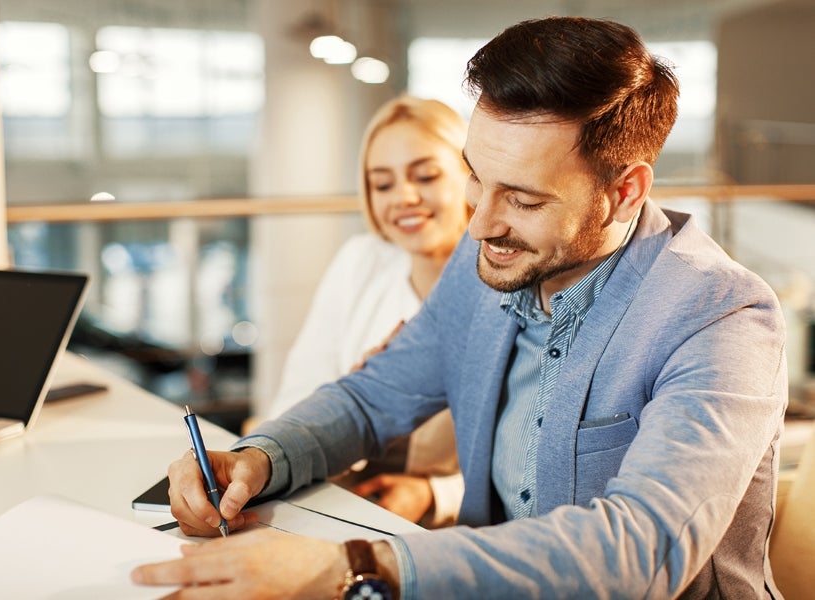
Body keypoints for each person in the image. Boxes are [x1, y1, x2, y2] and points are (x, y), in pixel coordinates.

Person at [132, 16, 788, 599]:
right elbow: (371, 398)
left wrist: (354, 568)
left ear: (624, 192)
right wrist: (259, 458)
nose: (479, 225)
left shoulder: (721, 317)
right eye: (476, 176)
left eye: (524, 200)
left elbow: (641, 552)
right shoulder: (489, 268)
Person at [248, 94, 471, 527]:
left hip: (456, 527)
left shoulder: (508, 280)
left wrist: (434, 495)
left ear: (471, 175)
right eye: (382, 184)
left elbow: (529, 459)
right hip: (340, 501)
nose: (404, 197)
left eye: (425, 176)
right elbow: (297, 396)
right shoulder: (361, 261)